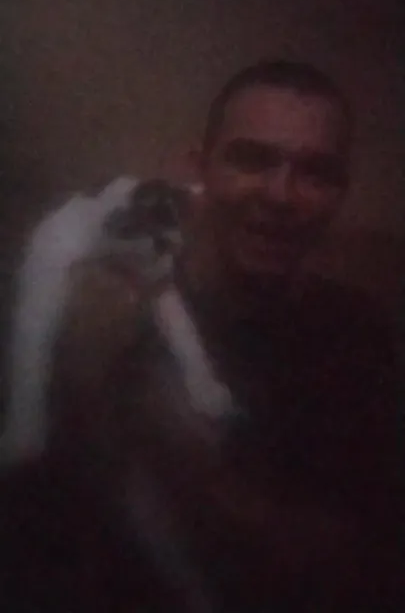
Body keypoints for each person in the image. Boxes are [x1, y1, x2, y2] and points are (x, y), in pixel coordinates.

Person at [0, 60, 400, 612]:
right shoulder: (80, 302)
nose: (281, 194)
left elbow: (353, 563)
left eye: (315, 173)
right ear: (199, 171)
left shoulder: (356, 333)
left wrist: (184, 452)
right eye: (252, 160)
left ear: (340, 193)